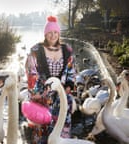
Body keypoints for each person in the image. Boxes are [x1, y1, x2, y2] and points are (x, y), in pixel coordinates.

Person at [24, 15, 76, 143]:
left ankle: (61, 140)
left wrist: (68, 86)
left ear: (58, 33)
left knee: (63, 114)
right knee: (42, 126)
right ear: (45, 34)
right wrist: (37, 93)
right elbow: (31, 73)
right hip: (42, 93)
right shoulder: (36, 50)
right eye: (49, 33)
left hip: (61, 93)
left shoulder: (67, 50)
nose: (53, 35)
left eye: (55, 32)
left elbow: (71, 70)